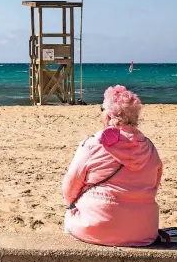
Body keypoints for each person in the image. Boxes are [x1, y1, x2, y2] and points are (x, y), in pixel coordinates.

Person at [62, 85, 163, 247]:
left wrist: (72, 206)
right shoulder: (149, 147)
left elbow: (70, 185)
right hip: (143, 231)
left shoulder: (93, 144)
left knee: (69, 218)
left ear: (108, 116)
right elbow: (154, 185)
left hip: (96, 227)